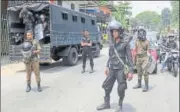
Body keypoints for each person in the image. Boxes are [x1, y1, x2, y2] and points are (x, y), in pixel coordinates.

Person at [96, 20, 134, 112]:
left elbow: (129, 58)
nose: (114, 33)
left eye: (116, 31)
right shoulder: (112, 43)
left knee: (121, 88)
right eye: (113, 31)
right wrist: (107, 66)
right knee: (106, 85)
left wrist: (131, 71)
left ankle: (120, 104)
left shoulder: (125, 43)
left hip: (121, 69)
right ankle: (106, 103)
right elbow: (110, 56)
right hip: (112, 68)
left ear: (120, 32)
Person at [133, 27, 150, 92]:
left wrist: (148, 58)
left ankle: (146, 86)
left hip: (145, 58)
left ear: (144, 34)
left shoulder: (147, 42)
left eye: (142, 33)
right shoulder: (136, 41)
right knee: (139, 72)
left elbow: (148, 51)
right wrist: (134, 59)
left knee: (145, 72)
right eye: (139, 33)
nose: (140, 34)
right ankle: (139, 84)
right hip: (138, 58)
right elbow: (135, 50)